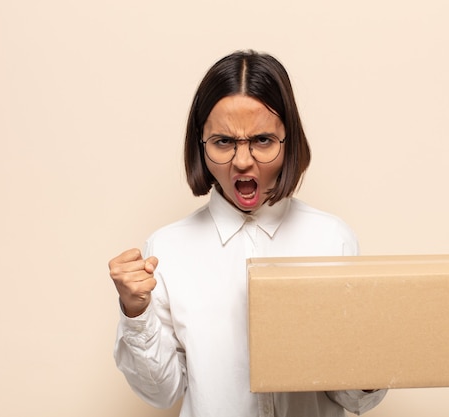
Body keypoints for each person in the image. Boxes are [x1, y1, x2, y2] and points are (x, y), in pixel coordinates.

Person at [108, 50, 387, 417]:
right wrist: (135, 311)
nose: (242, 161)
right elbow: (162, 393)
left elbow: (357, 399)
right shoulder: (168, 249)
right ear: (200, 144)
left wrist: (371, 358)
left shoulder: (332, 240)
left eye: (262, 140)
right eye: (223, 142)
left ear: (290, 142)